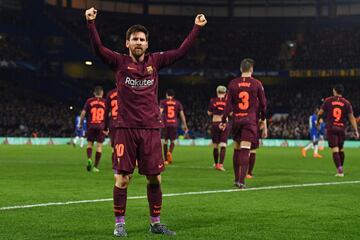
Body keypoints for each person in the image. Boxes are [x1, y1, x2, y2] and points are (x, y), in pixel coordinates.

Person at [85, 7, 207, 237]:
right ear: (127, 43)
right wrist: (91, 24)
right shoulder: (119, 62)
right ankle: (120, 223)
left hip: (151, 128)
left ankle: (155, 223)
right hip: (125, 128)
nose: (138, 42)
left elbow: (181, 51)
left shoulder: (156, 61)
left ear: (147, 44)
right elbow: (98, 49)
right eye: (134, 39)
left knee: (155, 177)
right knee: (123, 178)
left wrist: (197, 27)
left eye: (142, 39)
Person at [220, 58, 267, 189]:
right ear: (251, 69)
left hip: (237, 120)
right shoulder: (257, 83)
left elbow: (228, 105)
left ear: (241, 69)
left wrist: (224, 120)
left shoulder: (233, 83)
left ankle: (236, 179)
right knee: (246, 149)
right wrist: (263, 119)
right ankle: (242, 181)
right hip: (250, 120)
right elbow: (263, 104)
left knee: (236, 148)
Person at [317, 84, 359, 177]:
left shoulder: (328, 100)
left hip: (332, 127)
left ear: (334, 91)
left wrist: (317, 121)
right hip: (341, 128)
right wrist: (356, 130)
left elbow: (320, 113)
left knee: (335, 149)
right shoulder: (347, 103)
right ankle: (340, 168)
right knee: (341, 149)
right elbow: (351, 117)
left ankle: (340, 170)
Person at [80, 86, 106, 172]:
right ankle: (95, 167)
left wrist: (80, 123)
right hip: (101, 126)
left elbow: (83, 113)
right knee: (99, 146)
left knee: (90, 144)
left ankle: (89, 158)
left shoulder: (89, 101)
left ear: (94, 93)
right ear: (102, 93)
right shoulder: (105, 102)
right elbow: (108, 115)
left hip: (91, 125)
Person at [159, 89, 188, 165]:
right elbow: (182, 114)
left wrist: (158, 121)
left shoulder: (163, 102)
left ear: (166, 95)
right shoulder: (177, 103)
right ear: (173, 96)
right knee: (173, 141)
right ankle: (170, 152)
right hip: (174, 124)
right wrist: (185, 125)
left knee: (164, 141)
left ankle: (165, 160)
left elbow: (160, 112)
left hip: (165, 124)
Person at [207, 85, 229, 171]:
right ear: (225, 93)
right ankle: (221, 164)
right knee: (223, 145)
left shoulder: (213, 100)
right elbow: (230, 113)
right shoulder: (227, 101)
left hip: (215, 123)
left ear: (217, 92)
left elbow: (209, 113)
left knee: (215, 145)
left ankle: (216, 164)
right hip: (224, 123)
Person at [105, 88, 118, 167]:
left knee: (114, 147)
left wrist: (105, 126)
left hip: (113, 122)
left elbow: (106, 111)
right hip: (124, 123)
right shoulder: (127, 91)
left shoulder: (110, 93)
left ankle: (115, 166)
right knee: (125, 145)